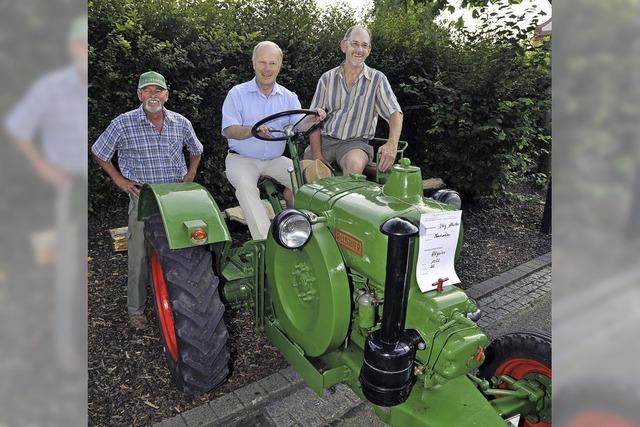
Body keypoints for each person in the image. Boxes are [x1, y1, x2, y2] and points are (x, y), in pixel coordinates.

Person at [4, 15, 88, 373]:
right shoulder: (51, 87)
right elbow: (17, 127)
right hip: (69, 189)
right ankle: (66, 349)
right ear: (70, 48)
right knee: (66, 271)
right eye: (81, 43)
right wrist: (44, 168)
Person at [91, 71, 203, 329]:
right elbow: (99, 152)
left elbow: (196, 150)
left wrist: (191, 173)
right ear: (140, 95)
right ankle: (136, 310)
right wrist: (119, 180)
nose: (153, 95)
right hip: (143, 198)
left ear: (166, 95)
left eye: (158, 90)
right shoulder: (123, 123)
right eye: (147, 91)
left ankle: (181, 302)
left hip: (176, 198)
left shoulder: (181, 123)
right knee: (139, 256)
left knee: (184, 250)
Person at [222, 41, 324, 240]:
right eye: (262, 62)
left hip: (276, 160)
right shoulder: (237, 94)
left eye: (272, 63)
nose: (267, 69)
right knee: (245, 187)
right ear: (253, 64)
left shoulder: (288, 96)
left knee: (309, 182)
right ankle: (267, 243)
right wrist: (252, 130)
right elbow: (229, 131)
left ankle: (306, 232)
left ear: (279, 66)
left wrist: (314, 117)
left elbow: (300, 125)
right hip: (242, 159)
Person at [305, 25, 403, 175]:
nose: (359, 50)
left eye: (364, 45)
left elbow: (395, 112)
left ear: (369, 51)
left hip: (356, 144)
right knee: (294, 186)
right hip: (325, 142)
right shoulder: (327, 79)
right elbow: (313, 120)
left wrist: (392, 144)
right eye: (354, 44)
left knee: (354, 164)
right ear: (344, 46)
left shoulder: (377, 79)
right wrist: (317, 155)